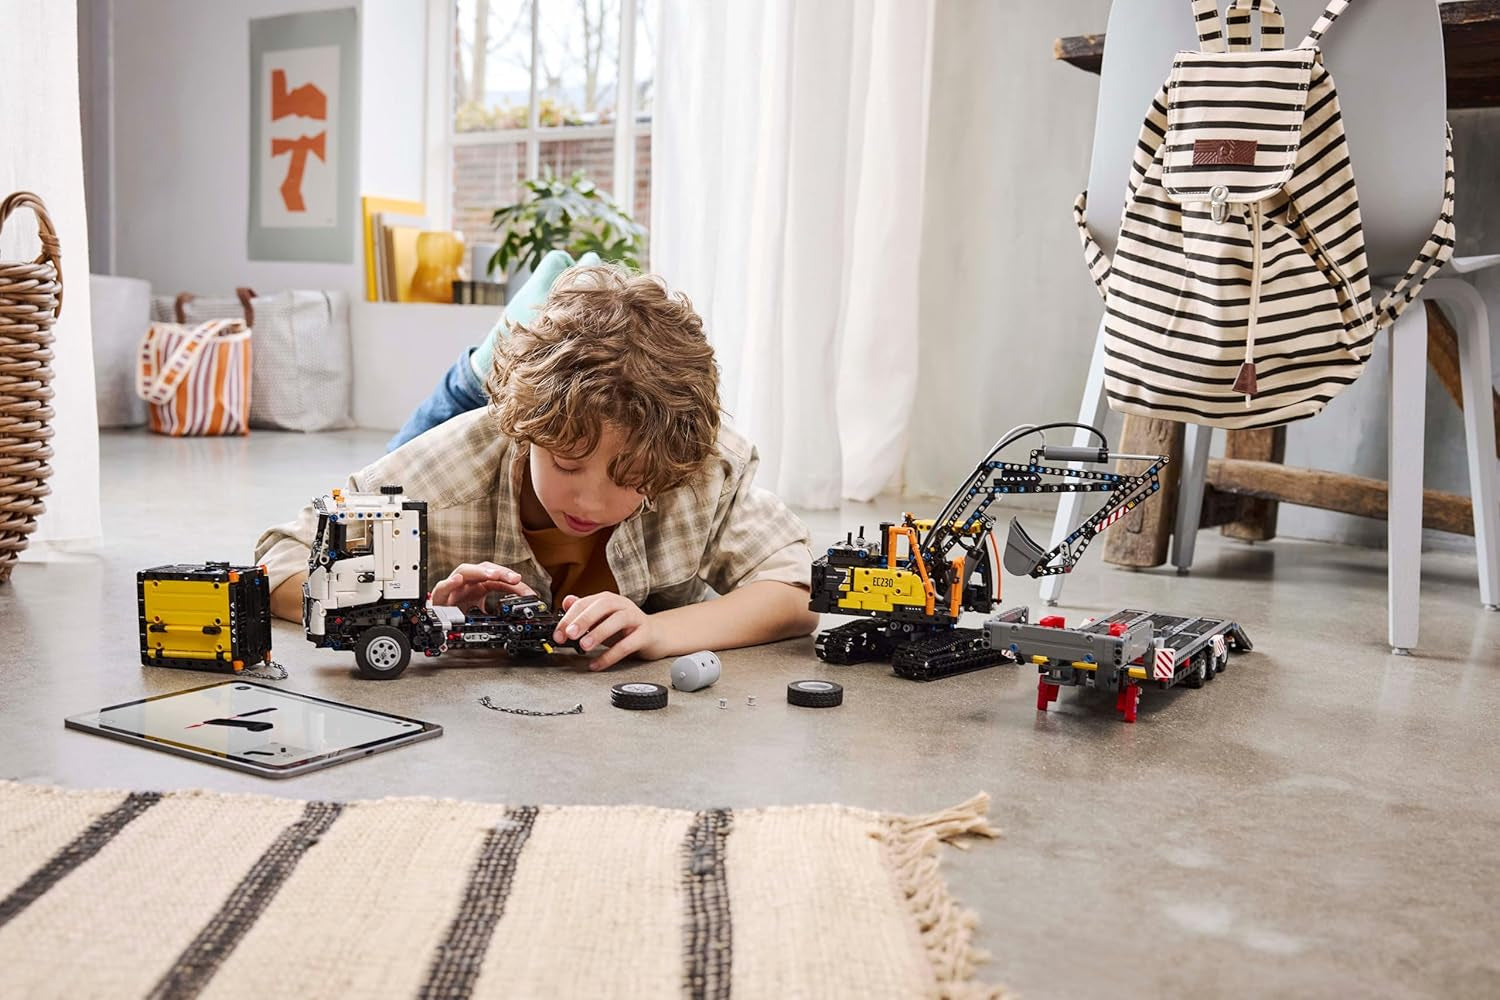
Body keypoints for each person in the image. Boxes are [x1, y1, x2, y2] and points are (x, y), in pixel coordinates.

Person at [254, 262, 819, 670]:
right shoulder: (447, 471)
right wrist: (418, 615)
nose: (591, 504)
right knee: (462, 393)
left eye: (630, 479)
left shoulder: (698, 463)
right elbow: (280, 560)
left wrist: (660, 630)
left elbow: (795, 590)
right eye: (569, 464)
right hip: (484, 423)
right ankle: (490, 354)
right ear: (528, 435)